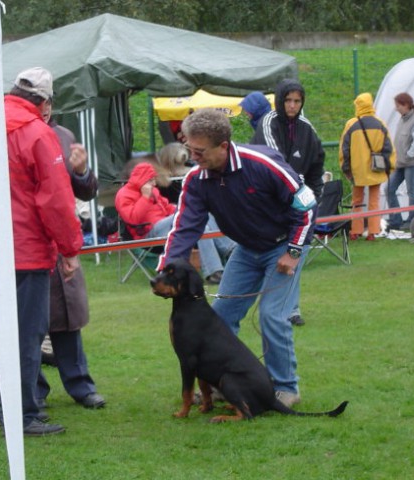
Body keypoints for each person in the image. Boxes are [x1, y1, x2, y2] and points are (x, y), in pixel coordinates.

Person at [159, 108, 317, 408]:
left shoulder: (263, 164)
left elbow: (306, 205)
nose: (194, 157)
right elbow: (184, 229)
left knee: (272, 314)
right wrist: (167, 271)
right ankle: (222, 383)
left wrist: (294, 251)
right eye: (190, 149)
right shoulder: (197, 180)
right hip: (245, 250)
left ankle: (285, 388)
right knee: (220, 315)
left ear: (223, 145)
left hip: (284, 246)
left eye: (200, 151)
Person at [0, 67, 83, 437]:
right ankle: (23, 413)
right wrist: (69, 248)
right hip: (26, 252)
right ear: (43, 102)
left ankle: (13, 407)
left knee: (3, 333)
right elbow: (56, 200)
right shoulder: (37, 134)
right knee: (27, 335)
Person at [36, 82, 105, 410]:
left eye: (47, 100)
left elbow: (88, 191)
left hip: (61, 240)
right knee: (28, 322)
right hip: (27, 240)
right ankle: (32, 391)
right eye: (37, 100)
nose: (44, 106)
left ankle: (81, 386)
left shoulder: (63, 135)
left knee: (67, 317)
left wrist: (81, 171)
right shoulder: (8, 135)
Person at [251, 79, 325, 327]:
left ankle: (291, 308)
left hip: (298, 205)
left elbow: (317, 163)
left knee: (296, 252)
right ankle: (271, 307)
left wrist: (313, 196)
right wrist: (298, 187)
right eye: (288, 100)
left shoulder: (307, 128)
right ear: (280, 101)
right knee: (273, 256)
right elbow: (277, 164)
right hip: (269, 203)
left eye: (297, 101)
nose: (293, 106)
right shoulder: (268, 123)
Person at [115, 161, 234, 285]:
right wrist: (145, 197)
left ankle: (229, 252)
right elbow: (132, 219)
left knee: (202, 215)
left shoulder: (153, 191)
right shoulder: (123, 194)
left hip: (168, 226)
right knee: (195, 221)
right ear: (142, 180)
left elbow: (167, 208)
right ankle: (215, 271)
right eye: (151, 180)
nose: (154, 184)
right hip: (147, 233)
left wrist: (185, 207)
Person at [339, 93, 396, 240]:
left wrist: (346, 169)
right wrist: (389, 167)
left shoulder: (351, 124)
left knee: (357, 201)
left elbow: (344, 149)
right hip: (375, 168)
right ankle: (372, 232)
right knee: (374, 201)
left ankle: (355, 231)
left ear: (358, 105)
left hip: (357, 170)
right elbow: (388, 148)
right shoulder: (380, 124)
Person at [387, 92, 414, 230]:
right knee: (389, 189)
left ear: (406, 105)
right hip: (401, 163)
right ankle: (395, 221)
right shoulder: (402, 119)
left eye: (398, 105)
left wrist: (408, 155)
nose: (396, 108)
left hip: (413, 163)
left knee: (411, 191)